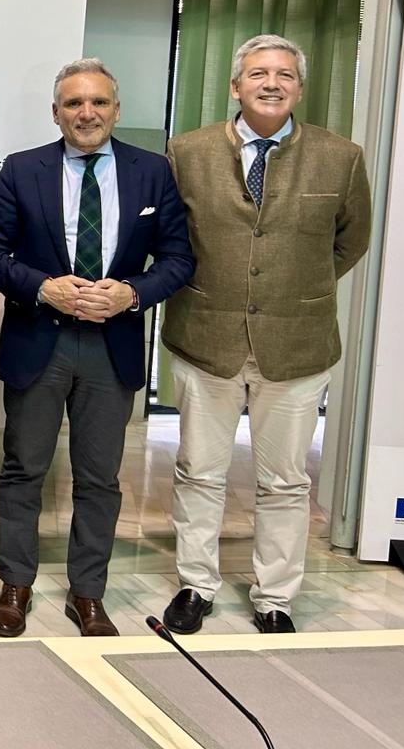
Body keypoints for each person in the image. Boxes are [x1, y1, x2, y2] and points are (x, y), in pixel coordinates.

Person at [161, 34, 371, 635]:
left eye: (284, 74)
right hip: (205, 339)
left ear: (300, 88)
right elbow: (174, 238)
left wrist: (294, 287)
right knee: (198, 470)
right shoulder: (188, 152)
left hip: (298, 345)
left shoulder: (341, 158)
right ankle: (196, 586)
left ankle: (274, 596)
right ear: (236, 86)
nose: (271, 82)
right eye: (258, 73)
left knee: (285, 481)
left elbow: (351, 240)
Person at [0, 58, 192, 638]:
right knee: (24, 468)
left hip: (112, 345)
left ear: (116, 110)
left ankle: (87, 593)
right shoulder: (22, 171)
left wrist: (132, 293)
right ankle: (15, 585)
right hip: (39, 340)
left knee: (99, 479)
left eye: (98, 102)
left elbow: (179, 259)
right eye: (74, 103)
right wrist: (43, 288)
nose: (87, 113)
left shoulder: (152, 172)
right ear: (56, 113)